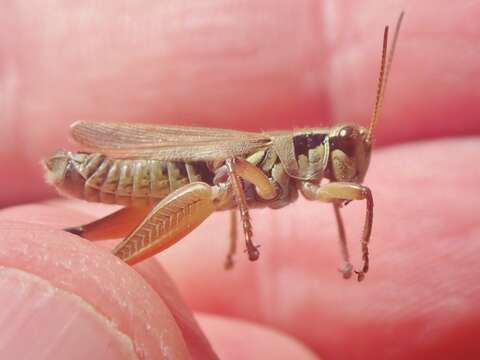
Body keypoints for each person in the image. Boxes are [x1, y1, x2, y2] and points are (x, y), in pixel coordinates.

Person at [0, 2, 478, 359]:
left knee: (120, 234)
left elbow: (270, 192)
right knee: (209, 193)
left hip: (202, 184)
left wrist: (351, 252)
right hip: (153, 169)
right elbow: (236, 174)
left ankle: (95, 247)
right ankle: (106, 255)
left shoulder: (304, 182)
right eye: (344, 146)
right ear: (320, 145)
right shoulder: (273, 165)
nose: (348, 161)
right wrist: (245, 233)